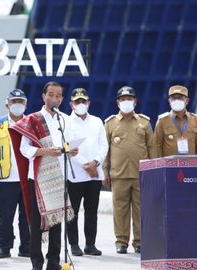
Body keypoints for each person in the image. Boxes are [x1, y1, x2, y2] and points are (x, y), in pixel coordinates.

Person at [8, 81, 77, 270]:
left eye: (58, 96)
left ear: (62, 99)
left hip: (58, 176)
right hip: (38, 178)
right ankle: (36, 262)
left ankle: (53, 262)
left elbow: (67, 145)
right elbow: (24, 150)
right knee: (38, 223)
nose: (54, 98)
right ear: (43, 96)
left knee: (56, 221)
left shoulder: (64, 120)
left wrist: (71, 151)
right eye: (51, 95)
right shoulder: (32, 119)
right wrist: (46, 152)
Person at [103, 86, 157, 254]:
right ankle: (121, 241)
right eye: (123, 99)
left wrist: (153, 170)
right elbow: (105, 150)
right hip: (118, 175)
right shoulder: (110, 123)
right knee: (120, 210)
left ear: (135, 101)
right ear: (118, 102)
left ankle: (140, 242)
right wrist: (105, 172)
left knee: (141, 209)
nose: (126, 102)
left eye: (129, 98)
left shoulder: (144, 122)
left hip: (140, 174)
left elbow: (152, 147)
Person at [0, 89, 30, 259]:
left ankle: (26, 247)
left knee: (27, 217)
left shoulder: (31, 122)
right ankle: (5, 247)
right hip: (6, 178)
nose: (17, 104)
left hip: (27, 178)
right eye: (14, 101)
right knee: (5, 216)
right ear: (7, 103)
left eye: (20, 101)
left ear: (25, 104)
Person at [66, 88, 108, 257]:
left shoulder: (97, 121)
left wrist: (96, 162)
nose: (81, 104)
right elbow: (68, 147)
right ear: (71, 104)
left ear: (88, 103)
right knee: (73, 212)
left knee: (92, 211)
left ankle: (90, 244)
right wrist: (87, 165)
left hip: (94, 175)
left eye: (83, 101)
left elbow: (104, 145)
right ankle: (74, 244)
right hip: (75, 174)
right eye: (77, 102)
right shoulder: (66, 122)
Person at [154, 85, 197, 157]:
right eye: (174, 98)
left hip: (190, 165)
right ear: (169, 101)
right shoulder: (162, 121)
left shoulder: (195, 120)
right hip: (169, 165)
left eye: (180, 98)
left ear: (186, 100)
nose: (177, 101)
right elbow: (157, 146)